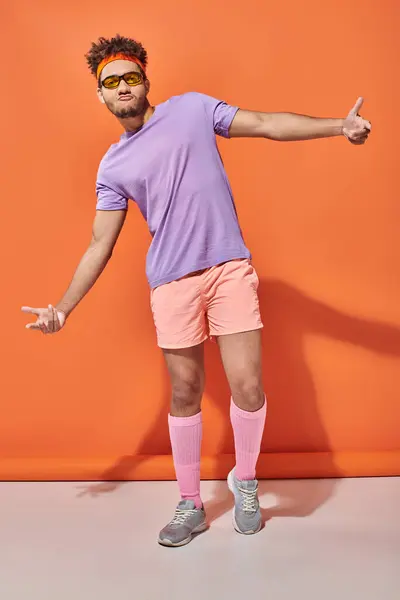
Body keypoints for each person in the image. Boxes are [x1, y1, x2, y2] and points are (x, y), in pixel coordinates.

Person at [21, 34, 371, 547]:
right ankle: (189, 503)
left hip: (228, 268)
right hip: (171, 283)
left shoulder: (191, 109)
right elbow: (100, 243)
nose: (122, 87)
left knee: (248, 386)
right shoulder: (112, 167)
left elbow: (266, 124)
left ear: (145, 80)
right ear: (100, 94)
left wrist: (338, 126)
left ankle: (245, 483)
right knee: (185, 392)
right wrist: (63, 309)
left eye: (130, 76)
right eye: (110, 82)